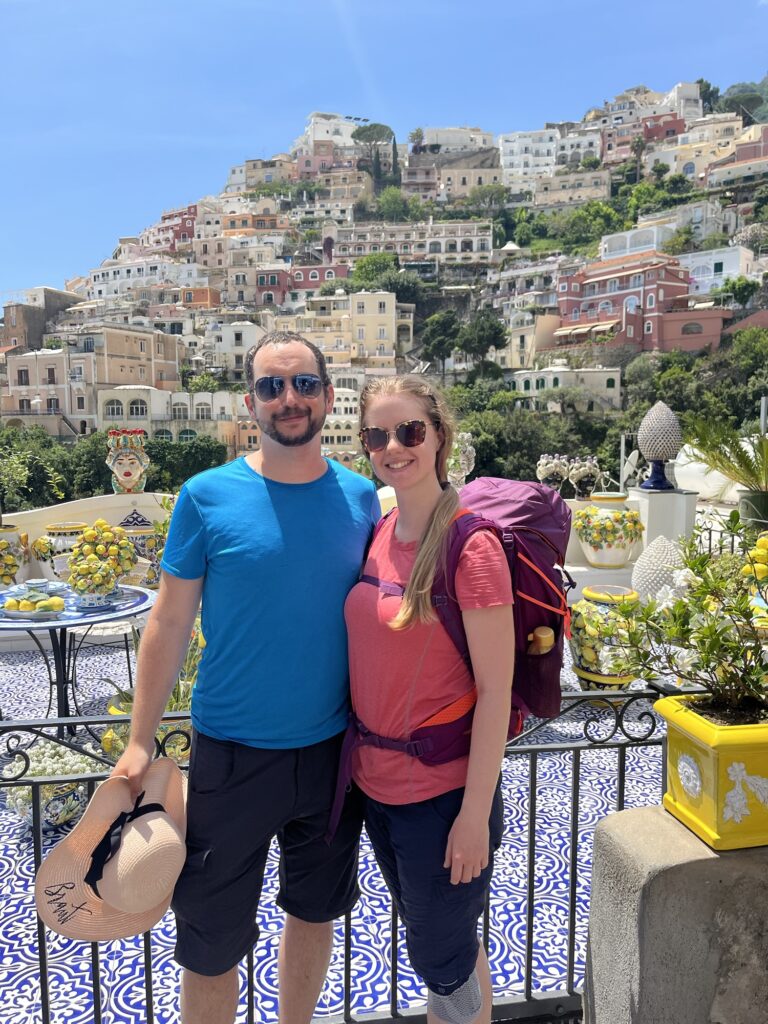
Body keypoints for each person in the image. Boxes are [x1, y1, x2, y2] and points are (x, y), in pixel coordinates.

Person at [111, 331, 380, 1024]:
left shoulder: (361, 500)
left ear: (328, 396)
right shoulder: (206, 497)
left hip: (332, 755)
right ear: (248, 402)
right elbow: (169, 622)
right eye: (271, 385)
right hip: (231, 759)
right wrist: (139, 742)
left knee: (314, 913)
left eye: (304, 384)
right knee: (210, 943)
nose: (289, 398)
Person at [345, 376, 515, 1024]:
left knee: (442, 966)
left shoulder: (471, 546)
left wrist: (473, 817)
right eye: (377, 435)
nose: (393, 447)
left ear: (439, 436)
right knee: (451, 949)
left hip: (441, 803)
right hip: (378, 790)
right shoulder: (381, 530)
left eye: (410, 431)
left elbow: (495, 692)